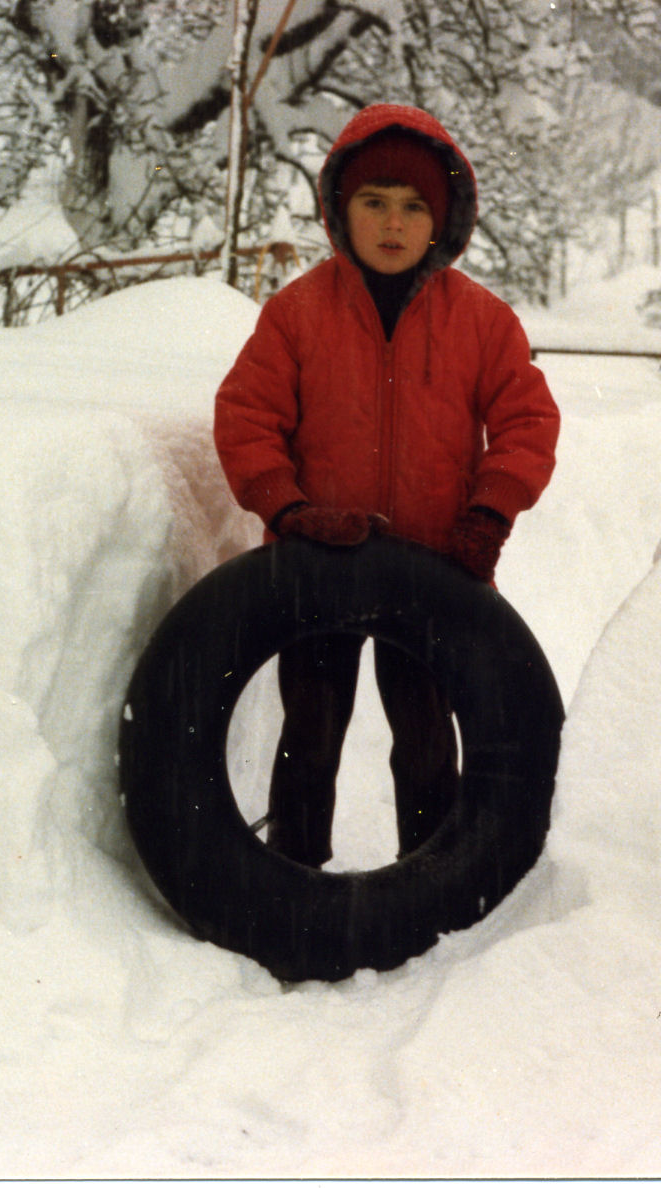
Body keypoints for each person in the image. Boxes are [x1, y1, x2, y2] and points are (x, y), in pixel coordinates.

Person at [212, 103, 560, 868]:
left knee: (427, 733)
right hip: (318, 561)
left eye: (413, 207)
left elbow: (529, 421)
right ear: (342, 209)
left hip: (437, 568)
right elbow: (246, 415)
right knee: (311, 729)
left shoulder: (482, 322)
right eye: (374, 203)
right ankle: (295, 877)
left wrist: (489, 512)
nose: (393, 224)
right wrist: (288, 507)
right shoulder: (297, 315)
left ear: (441, 221)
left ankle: (425, 880)